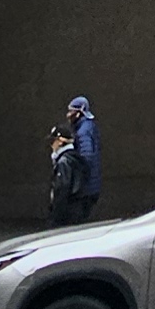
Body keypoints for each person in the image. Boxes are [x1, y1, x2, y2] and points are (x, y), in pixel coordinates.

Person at [49, 95, 100, 224]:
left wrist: (77, 178)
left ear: (79, 113)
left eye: (71, 111)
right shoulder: (87, 127)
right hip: (90, 187)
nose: (68, 115)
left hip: (85, 189)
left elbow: (86, 157)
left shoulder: (83, 131)